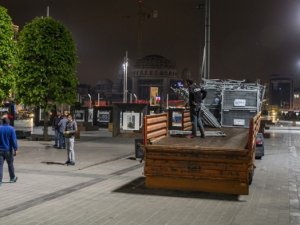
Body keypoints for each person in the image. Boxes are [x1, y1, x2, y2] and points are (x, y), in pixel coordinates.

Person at [0, 117, 18, 186]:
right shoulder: (11, 129)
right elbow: (13, 140)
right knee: (10, 164)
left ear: (2, 122)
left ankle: (0, 181)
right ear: (8, 122)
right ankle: (12, 178)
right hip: (8, 150)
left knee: (0, 166)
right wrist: (16, 149)